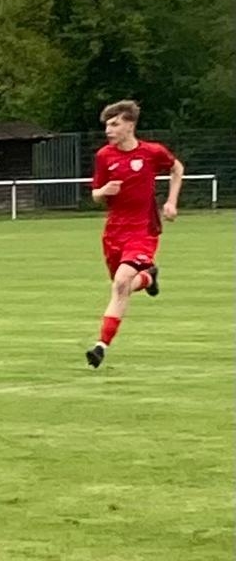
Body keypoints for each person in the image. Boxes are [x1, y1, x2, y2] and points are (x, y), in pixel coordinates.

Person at [85, 100, 183, 369]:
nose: (109, 130)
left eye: (114, 124)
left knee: (120, 282)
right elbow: (95, 194)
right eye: (107, 125)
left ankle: (101, 346)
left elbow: (177, 168)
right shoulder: (104, 156)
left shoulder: (152, 152)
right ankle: (148, 277)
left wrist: (171, 202)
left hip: (143, 229)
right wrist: (104, 191)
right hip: (114, 232)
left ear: (130, 125)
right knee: (122, 286)